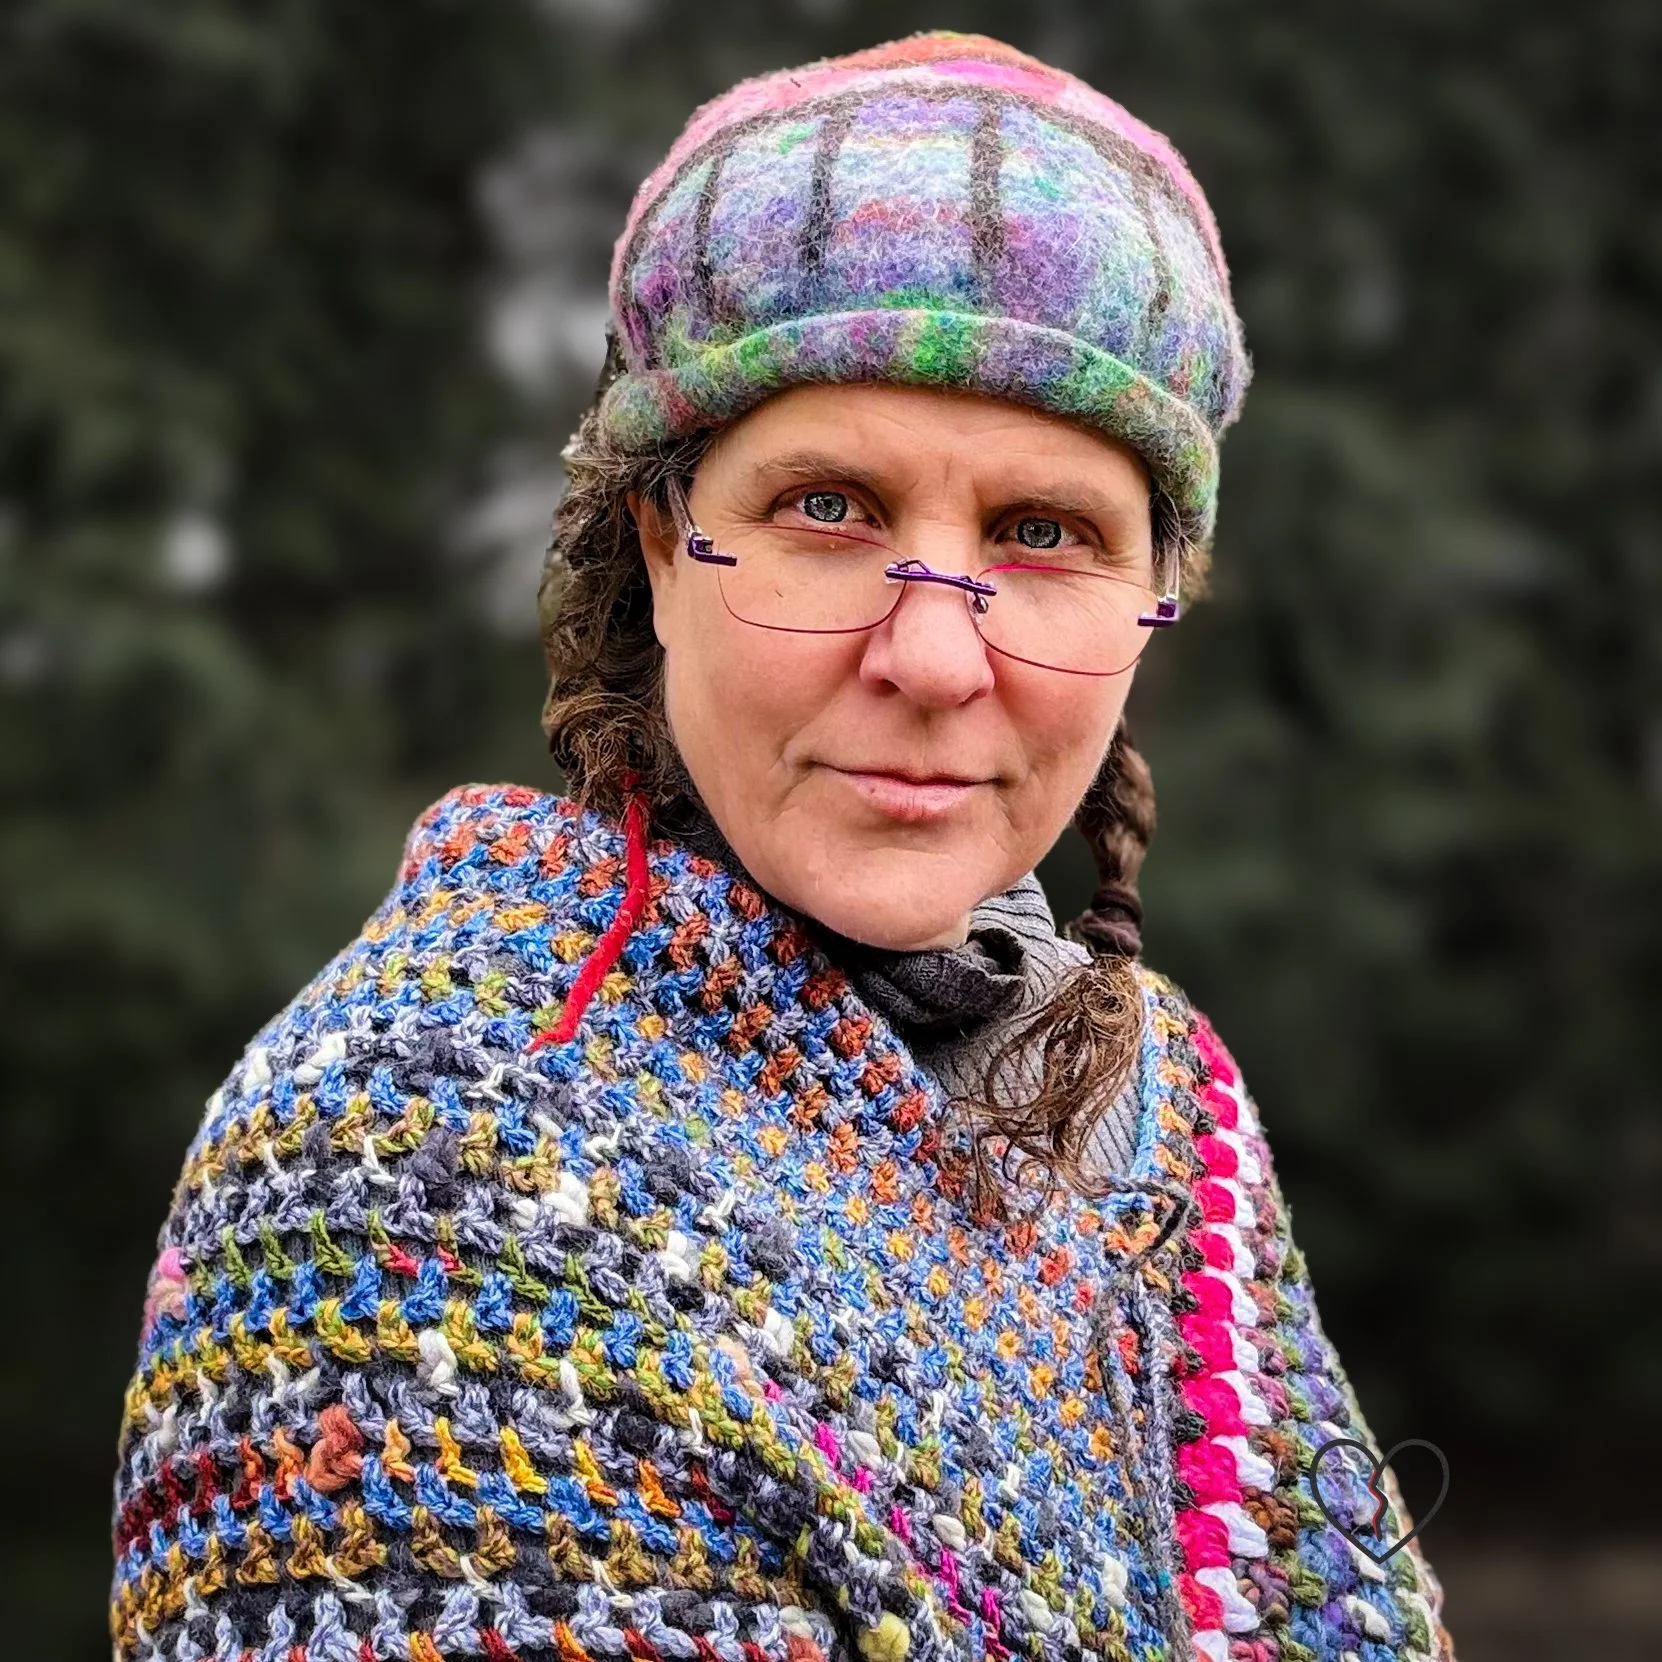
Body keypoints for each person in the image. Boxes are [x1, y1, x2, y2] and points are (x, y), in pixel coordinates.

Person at [110, 32, 1457, 1662]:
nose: (934, 657)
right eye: (829, 508)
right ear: (659, 548)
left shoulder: (1152, 1109)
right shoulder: (411, 1169)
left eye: (1044, 534)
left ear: (1149, 601)